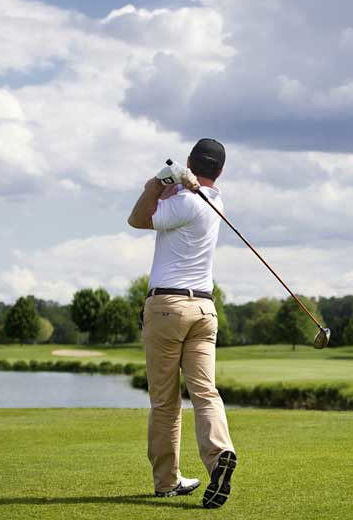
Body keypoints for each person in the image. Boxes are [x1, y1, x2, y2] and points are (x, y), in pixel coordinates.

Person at [127, 138, 237, 509]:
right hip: (204, 311)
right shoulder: (215, 201)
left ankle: (167, 482)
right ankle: (220, 452)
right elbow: (184, 193)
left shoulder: (184, 202)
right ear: (219, 171)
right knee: (205, 392)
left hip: (166, 307)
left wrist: (157, 181)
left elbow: (138, 218)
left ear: (191, 161)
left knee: (165, 401)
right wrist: (179, 181)